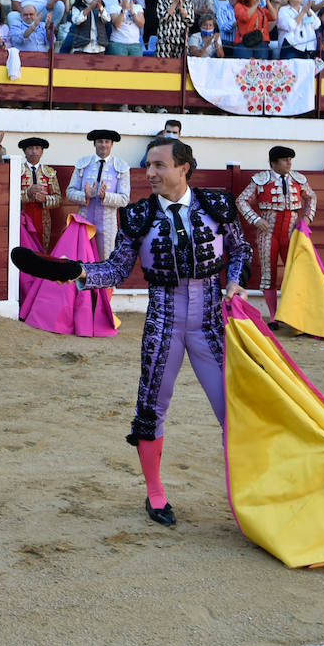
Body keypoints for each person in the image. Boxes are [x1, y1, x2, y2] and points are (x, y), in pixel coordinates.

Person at [19, 138, 250, 527]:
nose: (151, 173)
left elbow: (240, 249)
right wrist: (76, 272)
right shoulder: (139, 214)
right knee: (150, 408)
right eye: (148, 166)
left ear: (184, 168)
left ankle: (247, 490)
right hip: (163, 321)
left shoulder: (217, 204)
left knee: (235, 409)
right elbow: (116, 269)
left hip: (212, 321)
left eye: (160, 165)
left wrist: (236, 282)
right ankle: (156, 493)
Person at [236, 145, 318, 325]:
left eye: (290, 159)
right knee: (269, 274)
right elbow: (241, 200)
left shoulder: (298, 179)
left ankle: (294, 315)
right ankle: (273, 316)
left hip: (291, 233)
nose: (289, 163)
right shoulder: (261, 180)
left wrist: (306, 219)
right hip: (268, 233)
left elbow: (311, 197)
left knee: (296, 273)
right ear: (274, 162)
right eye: (285, 159)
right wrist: (256, 220)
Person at [66, 129, 131, 258]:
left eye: (107, 142)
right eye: (100, 141)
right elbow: (70, 192)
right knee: (83, 258)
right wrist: (85, 196)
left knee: (105, 259)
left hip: (107, 224)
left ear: (112, 144)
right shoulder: (83, 164)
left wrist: (105, 196)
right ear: (94, 144)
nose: (103, 145)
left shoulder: (121, 167)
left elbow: (124, 199)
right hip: (84, 220)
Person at [18, 137, 62, 252]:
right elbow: (8, 196)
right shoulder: (16, 170)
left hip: (44, 219)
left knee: (42, 249)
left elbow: (58, 198)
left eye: (37, 148)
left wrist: (45, 199)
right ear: (24, 151)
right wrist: (27, 194)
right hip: (21, 218)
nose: (34, 151)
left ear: (42, 151)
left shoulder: (50, 172)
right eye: (30, 148)